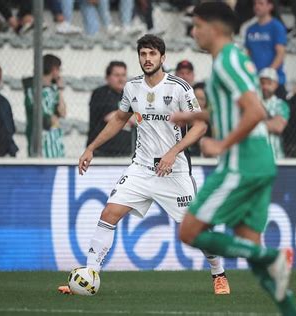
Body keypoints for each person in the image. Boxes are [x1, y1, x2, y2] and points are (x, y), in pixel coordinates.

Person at [58, 34, 230, 295]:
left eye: (152, 54)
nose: (147, 59)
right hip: (141, 168)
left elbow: (200, 125)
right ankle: (88, 276)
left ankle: (218, 273)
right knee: (108, 214)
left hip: (174, 170)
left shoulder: (179, 87)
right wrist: (91, 148)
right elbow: (118, 119)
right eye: (143, 54)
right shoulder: (132, 88)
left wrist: (173, 153)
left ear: (163, 57)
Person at [171, 3, 296, 315]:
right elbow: (231, 107)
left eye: (197, 25)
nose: (193, 32)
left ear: (212, 28)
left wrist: (220, 145)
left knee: (189, 231)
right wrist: (194, 114)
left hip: (241, 161)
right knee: (255, 260)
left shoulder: (227, 62)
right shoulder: (235, 58)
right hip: (259, 161)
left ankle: (273, 256)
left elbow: (256, 111)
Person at [23, 54, 67, 158]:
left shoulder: (54, 90)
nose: (60, 73)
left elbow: (62, 112)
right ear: (53, 69)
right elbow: (41, 116)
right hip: (41, 142)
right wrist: (51, 119)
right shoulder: (32, 90)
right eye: (59, 69)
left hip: (55, 142)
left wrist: (60, 91)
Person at [87, 61, 133, 156]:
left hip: (126, 152)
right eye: (117, 75)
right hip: (102, 152)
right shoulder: (100, 93)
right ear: (107, 78)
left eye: (123, 75)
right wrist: (130, 116)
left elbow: (139, 118)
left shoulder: (129, 95)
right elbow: (110, 118)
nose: (121, 79)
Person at [244, 0, 287, 99]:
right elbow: (248, 54)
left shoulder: (277, 27)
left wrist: (269, 72)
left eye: (261, 3)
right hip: (256, 82)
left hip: (275, 81)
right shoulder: (250, 29)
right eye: (255, 4)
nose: (257, 6)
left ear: (270, 6)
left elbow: (280, 53)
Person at [258, 67, 289, 159]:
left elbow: (278, 126)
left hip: (275, 156)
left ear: (276, 84)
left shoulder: (281, 104)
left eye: (269, 83)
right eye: (262, 83)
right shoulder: (252, 102)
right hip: (255, 157)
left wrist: (251, 126)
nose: (265, 87)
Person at [189, 82, 212, 157]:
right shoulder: (181, 123)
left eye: (201, 99)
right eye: (195, 98)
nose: (198, 102)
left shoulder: (211, 126)